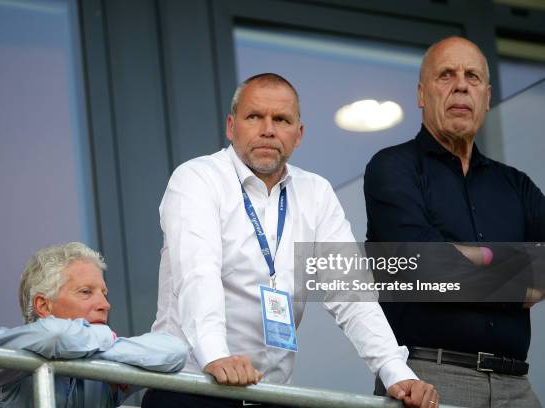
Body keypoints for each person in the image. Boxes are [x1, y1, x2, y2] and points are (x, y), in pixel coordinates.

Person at [144, 73, 438, 408]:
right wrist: (215, 354)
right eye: (254, 116)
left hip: (271, 394)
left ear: (298, 135)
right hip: (193, 387)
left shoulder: (316, 192)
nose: (268, 129)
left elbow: (350, 290)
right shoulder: (197, 179)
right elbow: (198, 272)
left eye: (281, 119)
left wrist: (395, 371)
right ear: (231, 126)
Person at [364, 36, 544, 407]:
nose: (461, 84)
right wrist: (518, 273)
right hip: (429, 379)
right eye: (446, 75)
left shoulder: (516, 185)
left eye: (473, 77)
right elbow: (425, 266)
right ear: (421, 94)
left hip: (517, 386)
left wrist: (460, 264)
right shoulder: (392, 168)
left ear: (487, 97)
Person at [0, 242, 188, 407]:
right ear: (43, 306)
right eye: (86, 292)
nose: (105, 304)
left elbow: (174, 352)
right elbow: (55, 336)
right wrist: (105, 337)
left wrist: (92, 351)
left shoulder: (99, 375)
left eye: (104, 293)